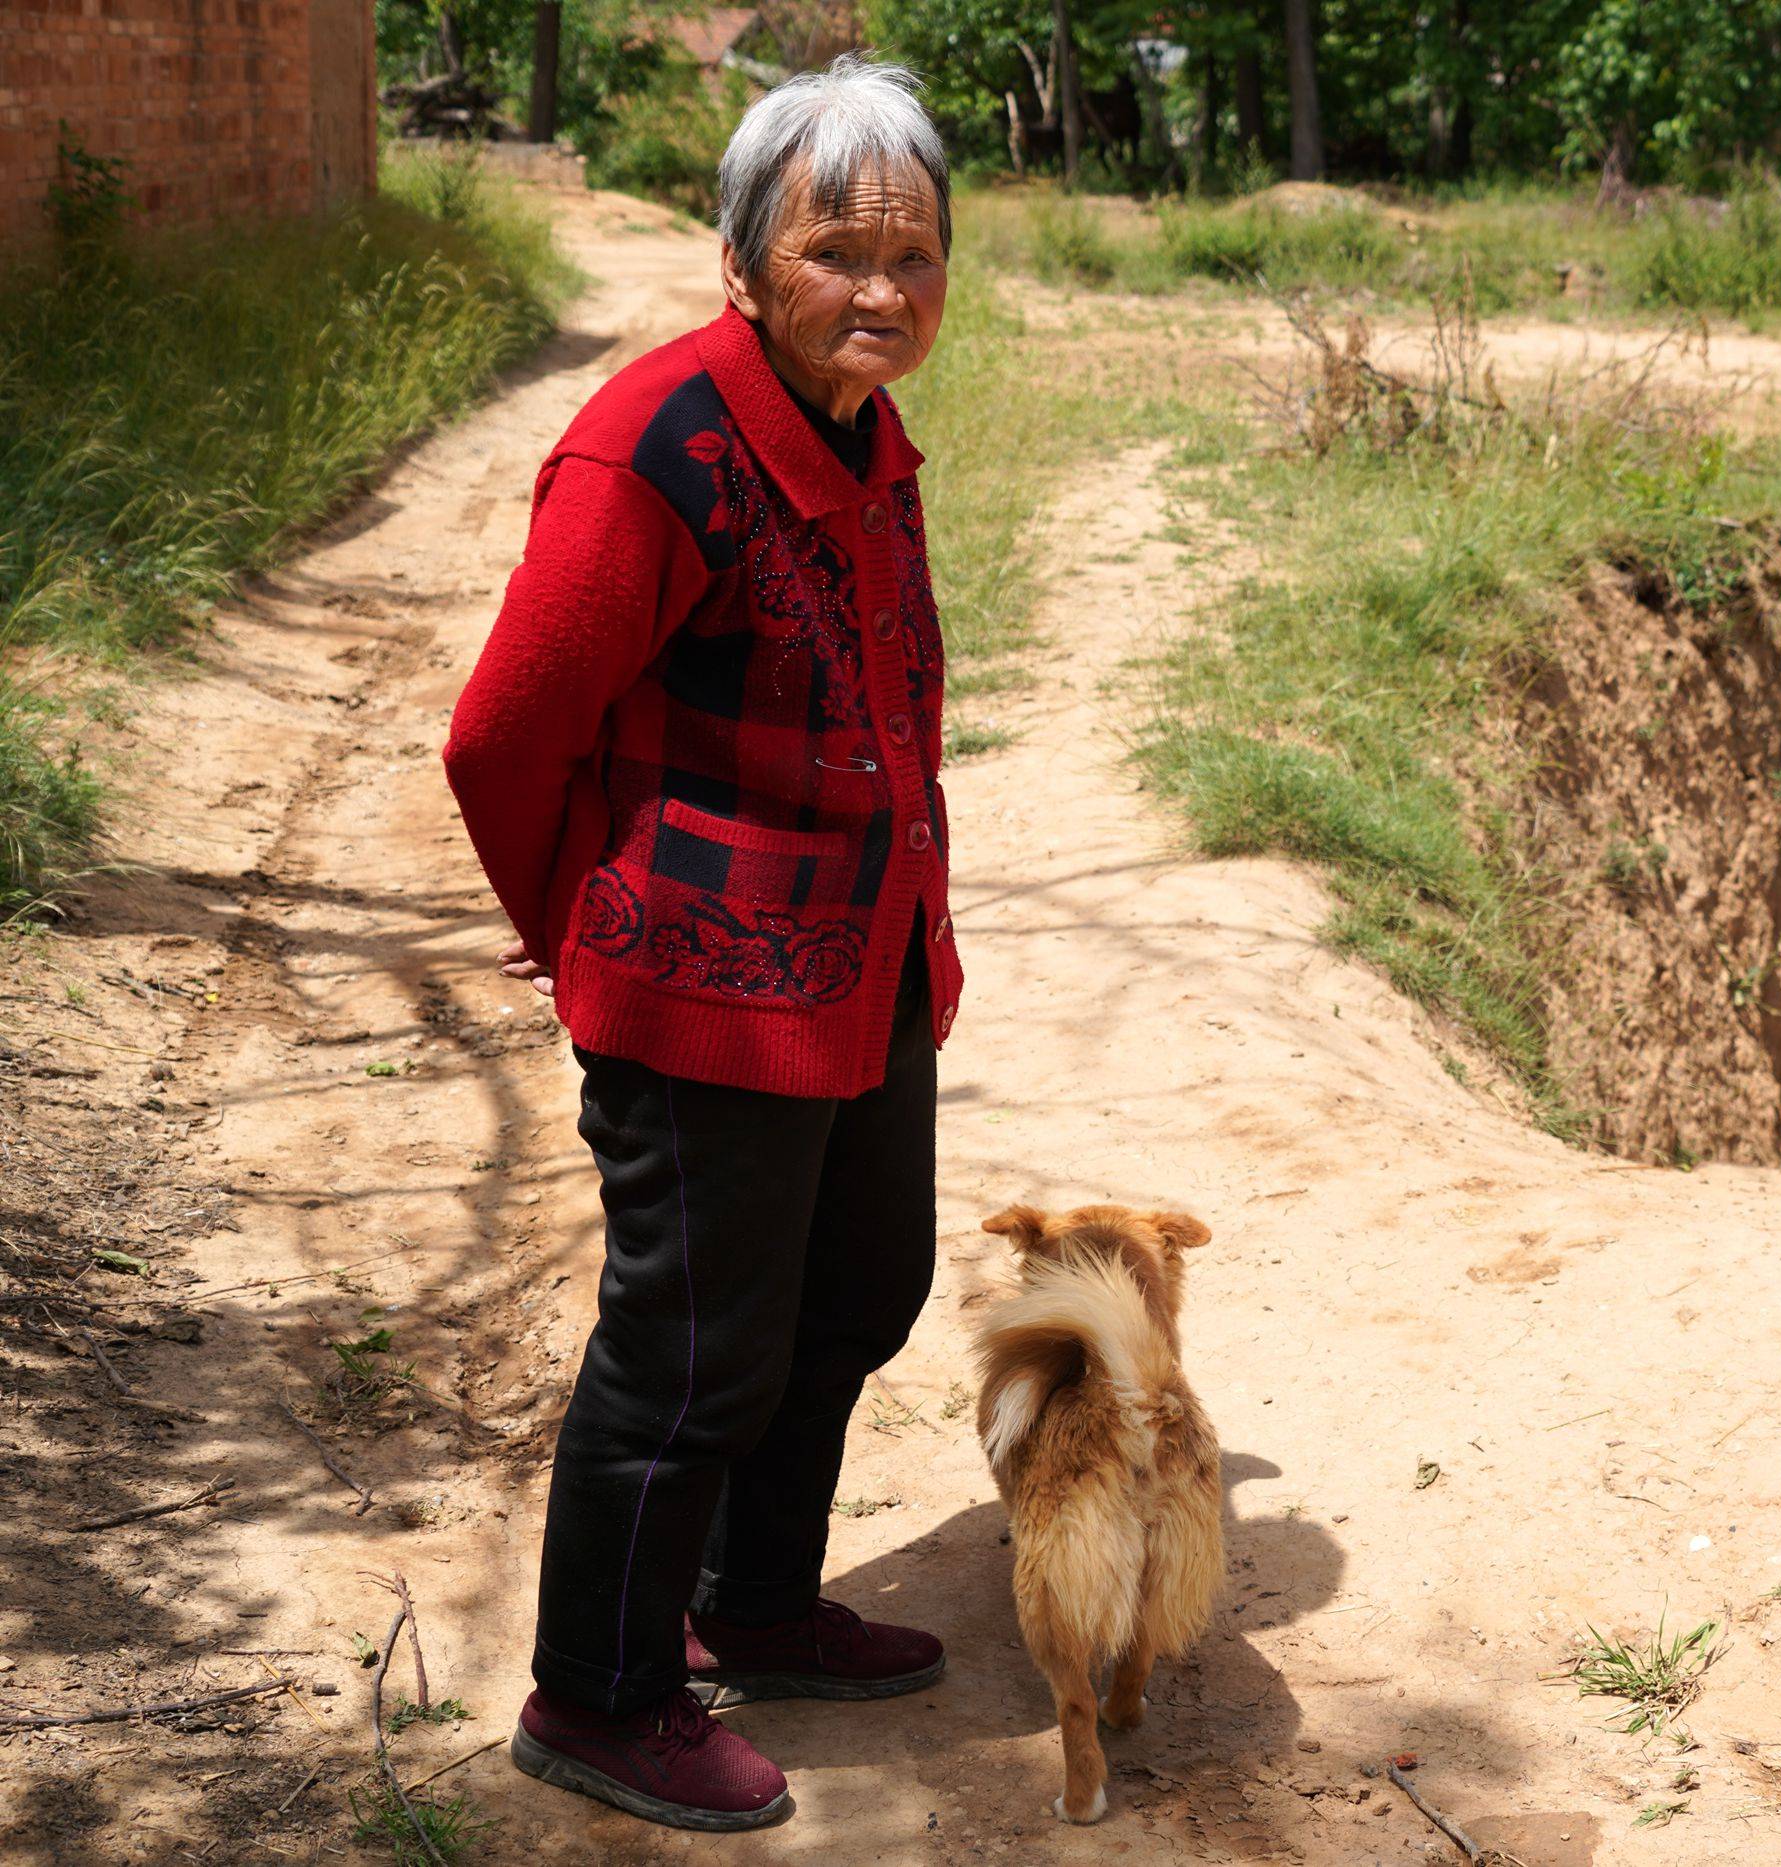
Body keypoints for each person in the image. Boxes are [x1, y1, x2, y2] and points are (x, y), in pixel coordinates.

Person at [441, 54, 962, 1833]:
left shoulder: (864, 431)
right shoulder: (654, 443)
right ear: (742, 263)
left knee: (858, 1288)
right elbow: (502, 735)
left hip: (868, 965)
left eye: (915, 254)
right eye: (837, 251)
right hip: (698, 991)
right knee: (688, 1356)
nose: (882, 290)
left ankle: (754, 1599)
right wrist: (573, 931)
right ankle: (597, 1690)